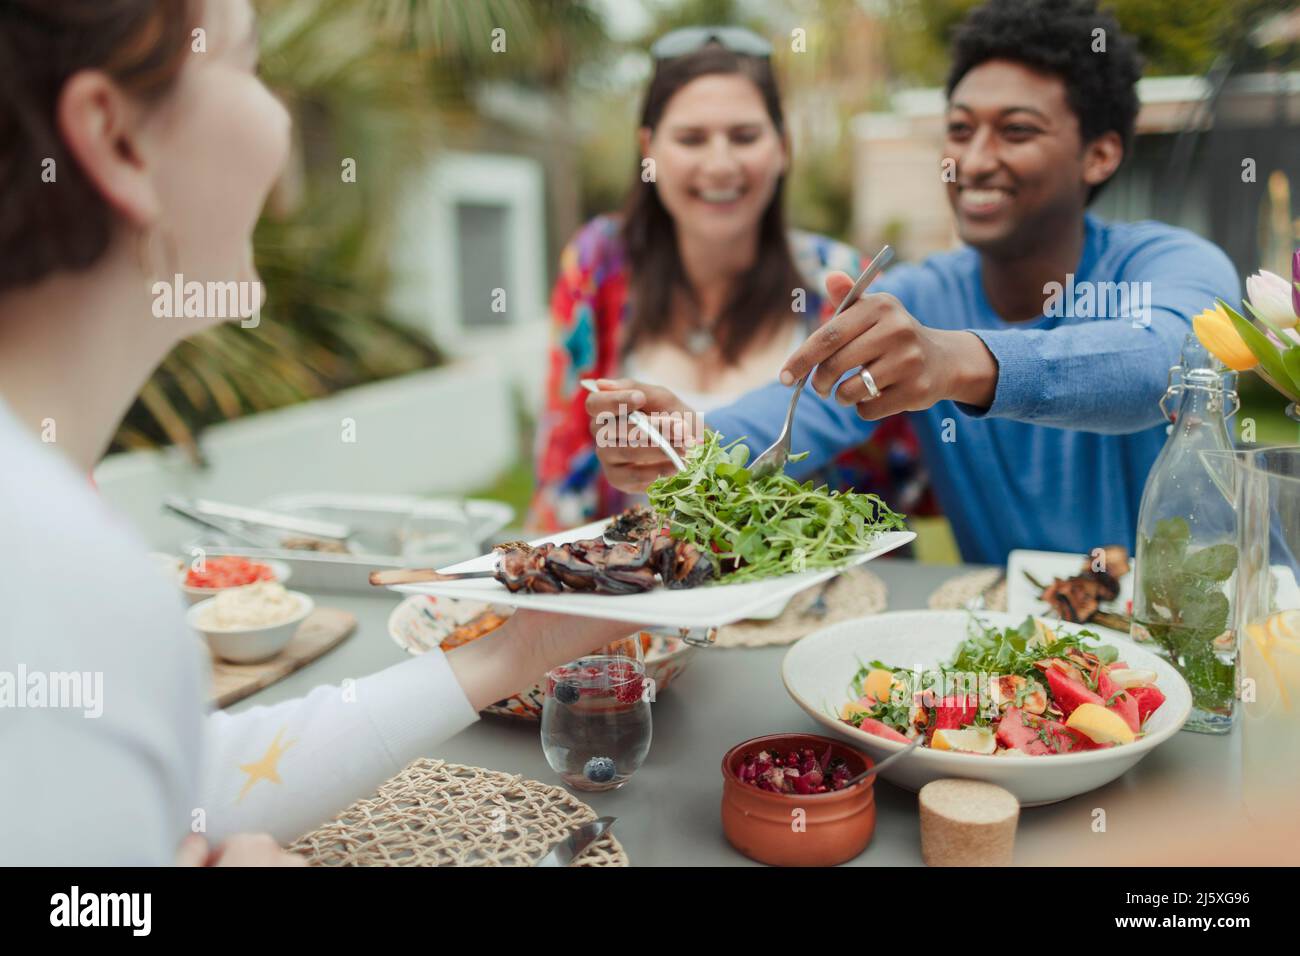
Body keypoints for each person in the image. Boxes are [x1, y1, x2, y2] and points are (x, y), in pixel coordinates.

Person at [0, 0, 635, 866]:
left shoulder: (45, 519)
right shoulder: (50, 570)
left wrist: (524, 645)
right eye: (249, 64)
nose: (283, 121)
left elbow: (185, 782)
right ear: (115, 141)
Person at [584, 0, 1241, 566]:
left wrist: (955, 360)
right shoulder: (922, 297)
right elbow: (805, 409)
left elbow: (1162, 368)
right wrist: (689, 440)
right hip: (1029, 667)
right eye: (960, 130)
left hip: (1218, 648)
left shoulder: (1173, 264)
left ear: (1100, 153)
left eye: (1016, 131)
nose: (976, 160)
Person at [529, 27, 930, 533]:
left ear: (782, 147)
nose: (720, 165)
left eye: (744, 137)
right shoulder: (597, 265)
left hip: (822, 598)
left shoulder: (842, 281)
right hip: (637, 593)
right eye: (691, 138)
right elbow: (562, 470)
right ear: (648, 149)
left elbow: (905, 475)